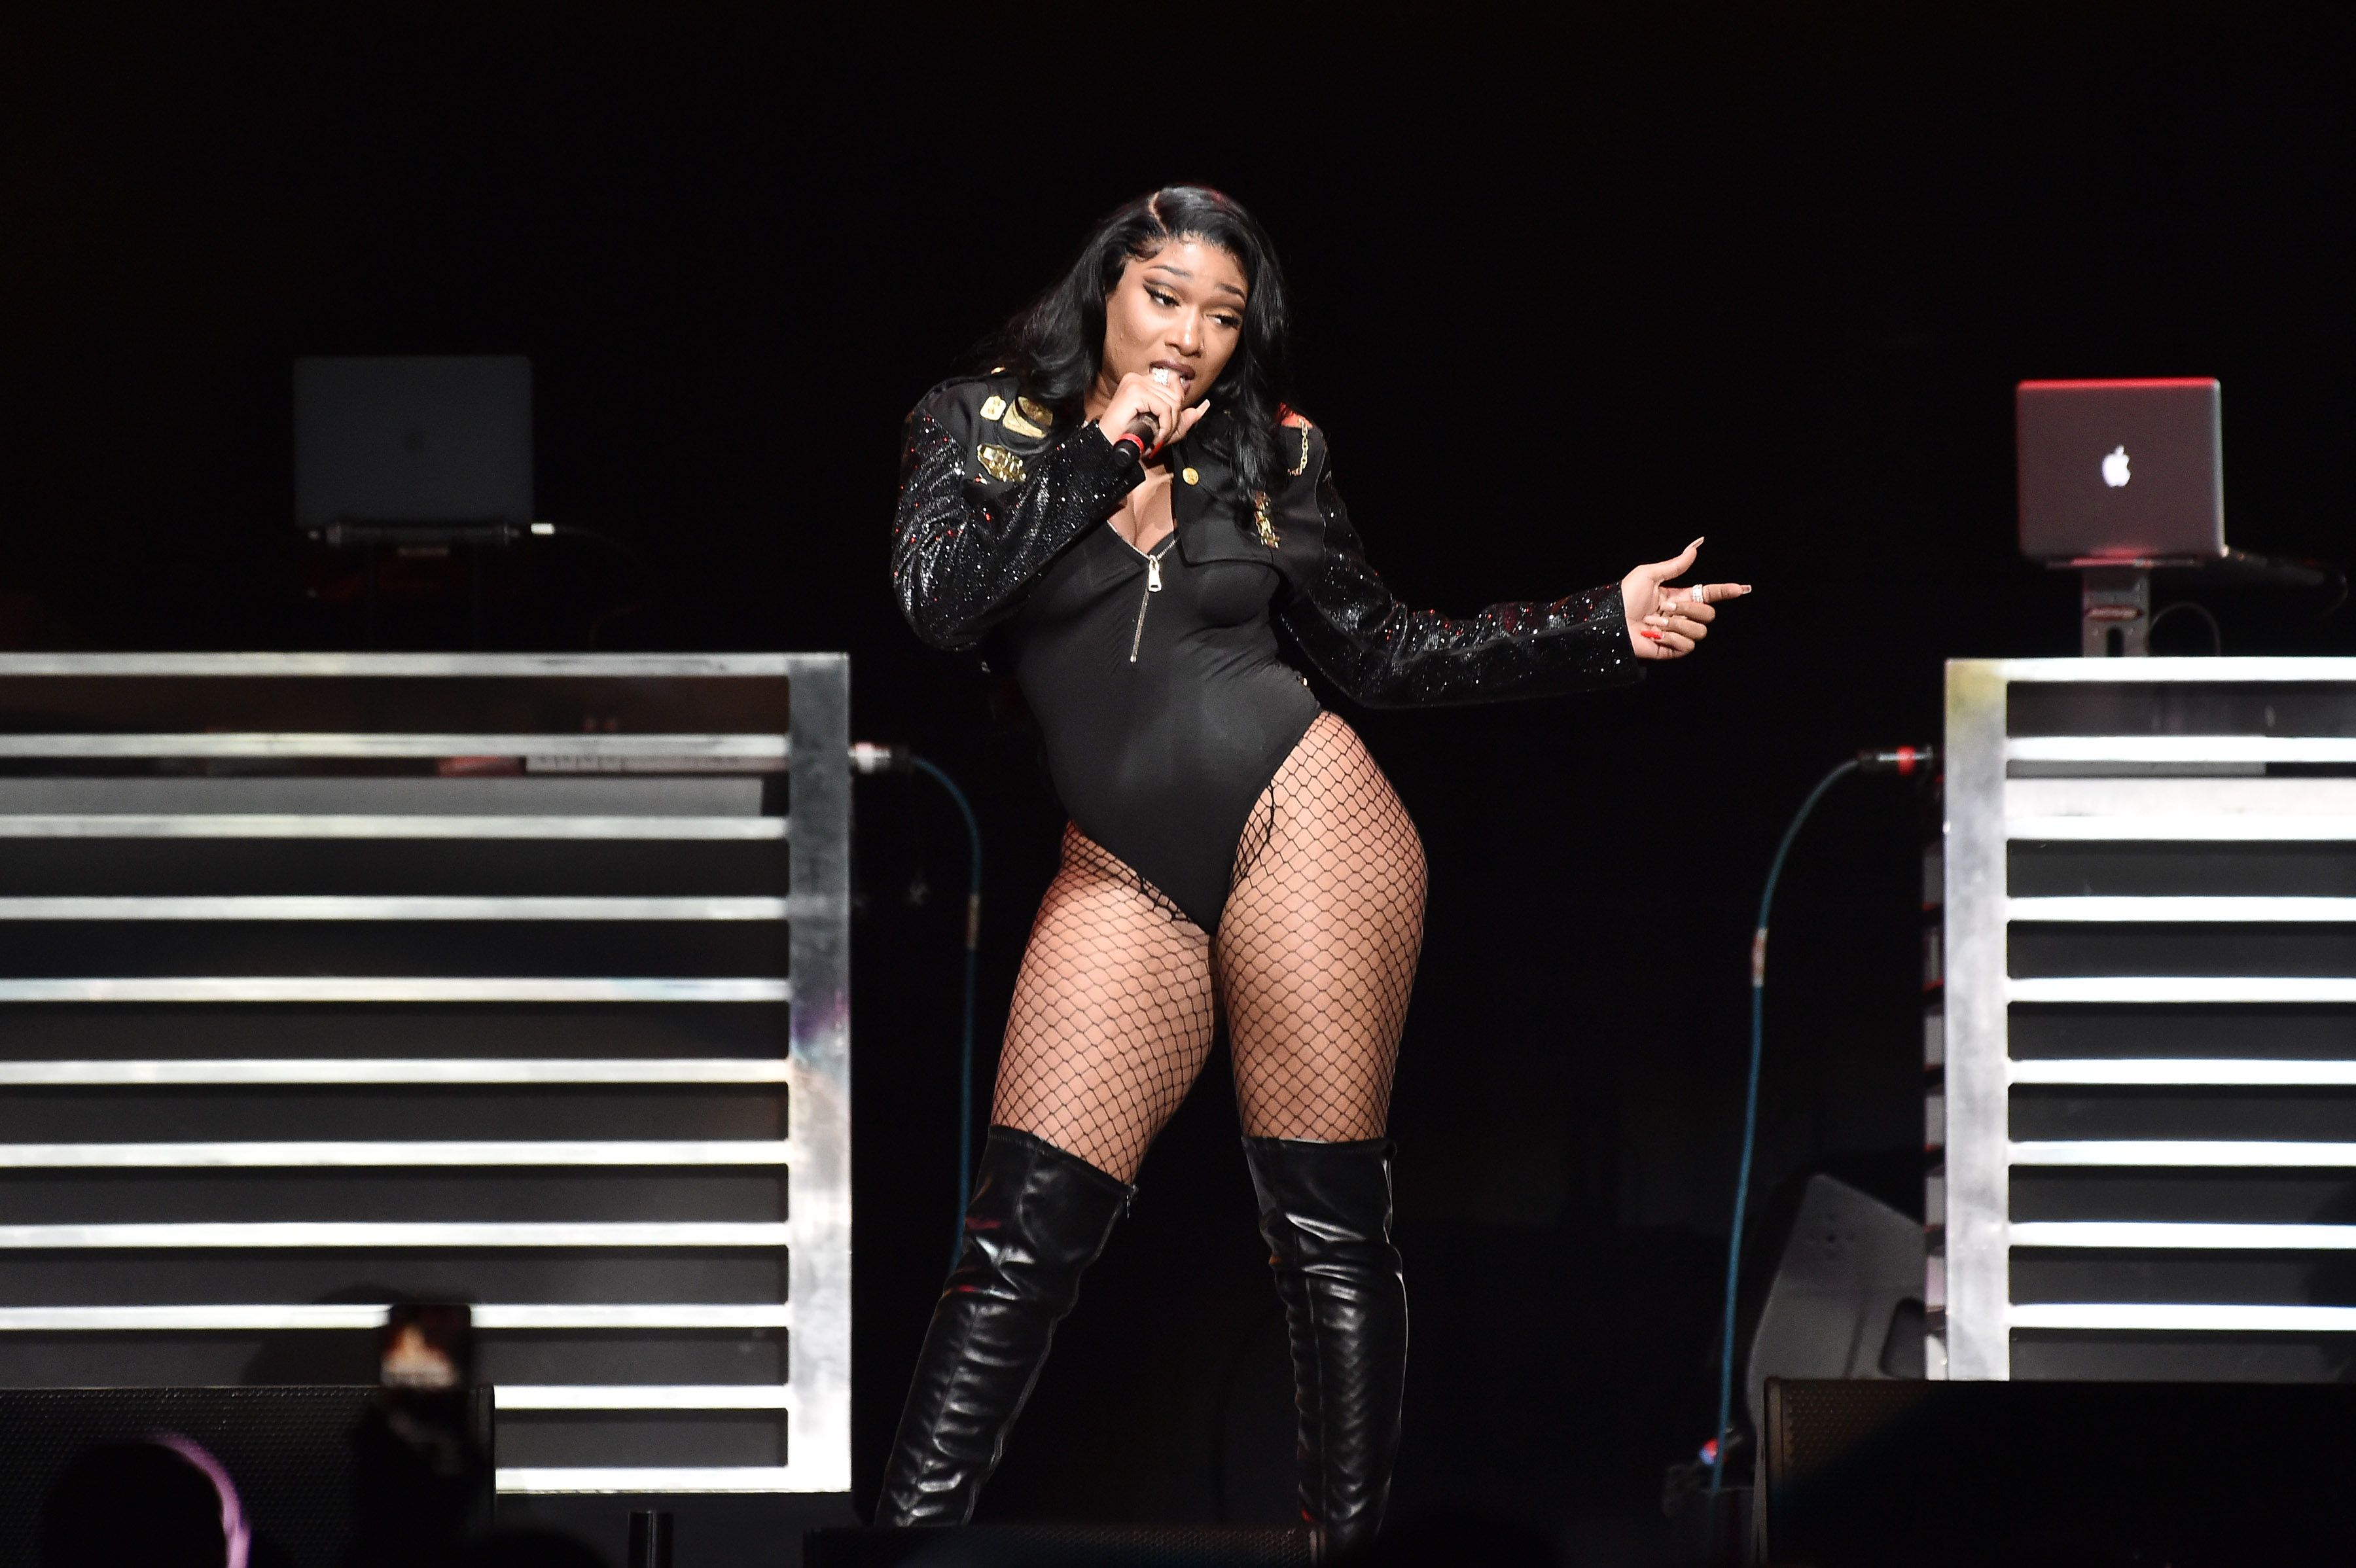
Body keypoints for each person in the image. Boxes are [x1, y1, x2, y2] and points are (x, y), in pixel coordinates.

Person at [883, 185, 1746, 1553]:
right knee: (1016, 1237)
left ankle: (1345, 1552)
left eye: (1223, 317)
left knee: (1324, 1226)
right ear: (1105, 289)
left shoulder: (1274, 450)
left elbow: (1385, 650)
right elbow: (942, 602)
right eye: (1164, 297)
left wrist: (1599, 625)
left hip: (1305, 819)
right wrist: (1107, 448)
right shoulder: (979, 421)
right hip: (1120, 867)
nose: (1189, 337)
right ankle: (900, 1547)